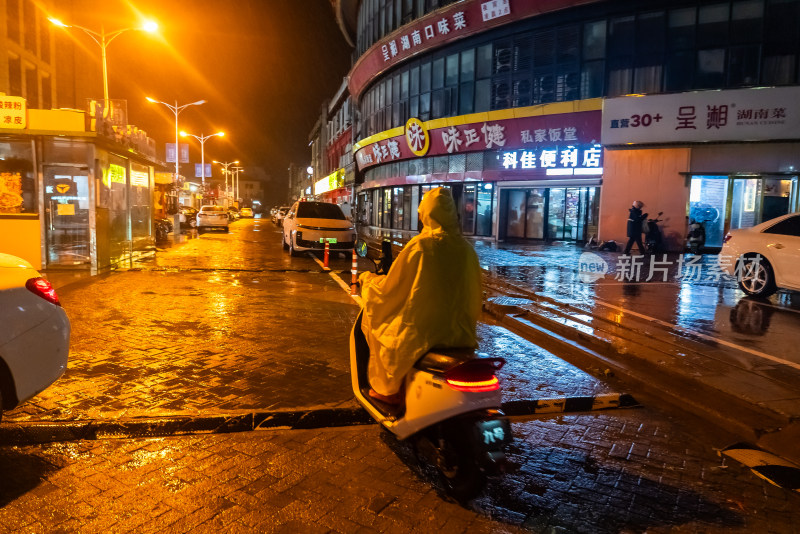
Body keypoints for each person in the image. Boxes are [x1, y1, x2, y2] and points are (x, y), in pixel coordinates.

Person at [358, 187, 482, 404]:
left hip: (425, 334)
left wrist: (368, 281)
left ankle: (390, 390)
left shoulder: (421, 246)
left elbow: (391, 287)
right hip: (462, 334)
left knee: (382, 330)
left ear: (425, 213)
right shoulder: (467, 249)